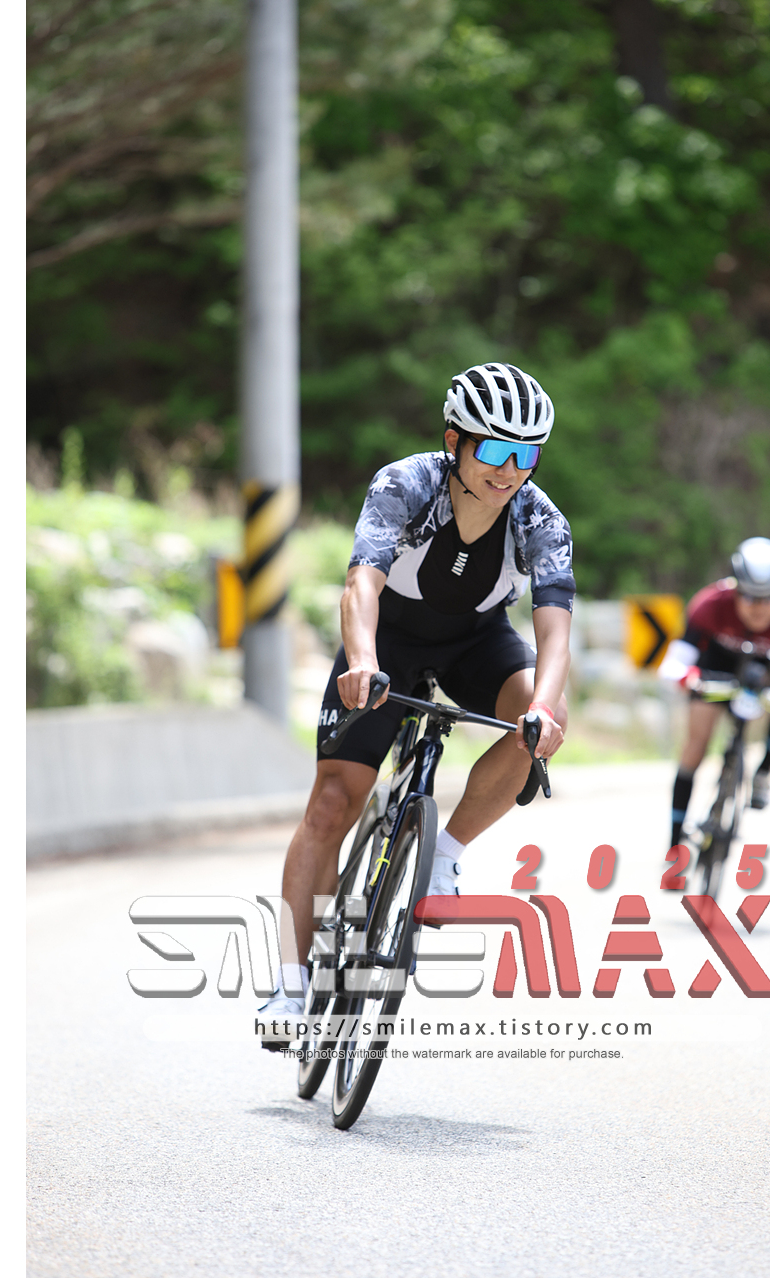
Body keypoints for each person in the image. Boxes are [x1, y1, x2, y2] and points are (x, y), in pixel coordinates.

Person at [259, 362, 574, 1031]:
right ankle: (288, 985)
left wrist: (545, 708)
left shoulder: (540, 519)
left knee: (539, 719)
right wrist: (362, 662)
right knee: (332, 803)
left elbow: (554, 631)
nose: (508, 470)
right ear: (454, 440)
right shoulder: (406, 484)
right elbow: (361, 584)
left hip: (477, 642)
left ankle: (444, 856)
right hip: (387, 642)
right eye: (494, 450)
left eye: (526, 455)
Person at [658, 537, 770, 850]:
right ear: (735, 589)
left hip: (766, 671)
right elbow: (673, 663)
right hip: (715, 669)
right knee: (695, 748)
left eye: (768, 598)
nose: (759, 608)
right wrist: (686, 676)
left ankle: (764, 771)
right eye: (750, 597)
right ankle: (675, 844)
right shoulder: (710, 603)